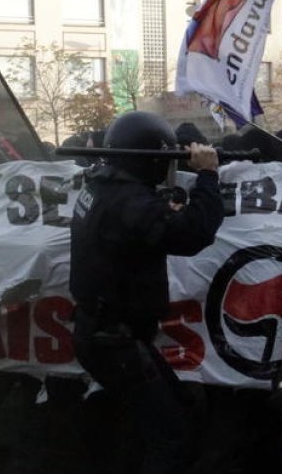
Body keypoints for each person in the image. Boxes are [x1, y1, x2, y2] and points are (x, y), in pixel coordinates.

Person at [69, 111, 223, 474]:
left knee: (171, 413)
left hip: (106, 331)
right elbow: (193, 233)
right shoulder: (130, 203)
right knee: (172, 438)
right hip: (115, 340)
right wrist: (208, 175)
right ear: (148, 161)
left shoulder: (102, 187)